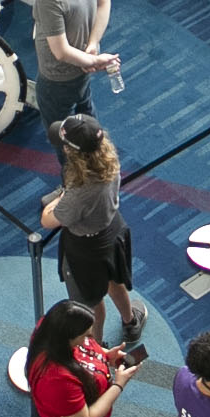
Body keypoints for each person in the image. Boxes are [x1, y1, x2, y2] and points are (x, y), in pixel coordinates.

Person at [40, 111, 141, 344]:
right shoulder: (109, 158)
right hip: (112, 229)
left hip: (85, 251)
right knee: (115, 282)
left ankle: (96, 349)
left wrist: (60, 198)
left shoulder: (80, 191)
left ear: (71, 151)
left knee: (91, 305)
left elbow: (48, 220)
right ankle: (130, 323)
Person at [23, 0, 116, 140]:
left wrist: (93, 61)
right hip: (82, 64)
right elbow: (105, 1)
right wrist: (92, 47)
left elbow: (61, 52)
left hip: (58, 78)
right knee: (85, 109)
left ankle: (73, 159)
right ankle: (96, 146)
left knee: (61, 134)